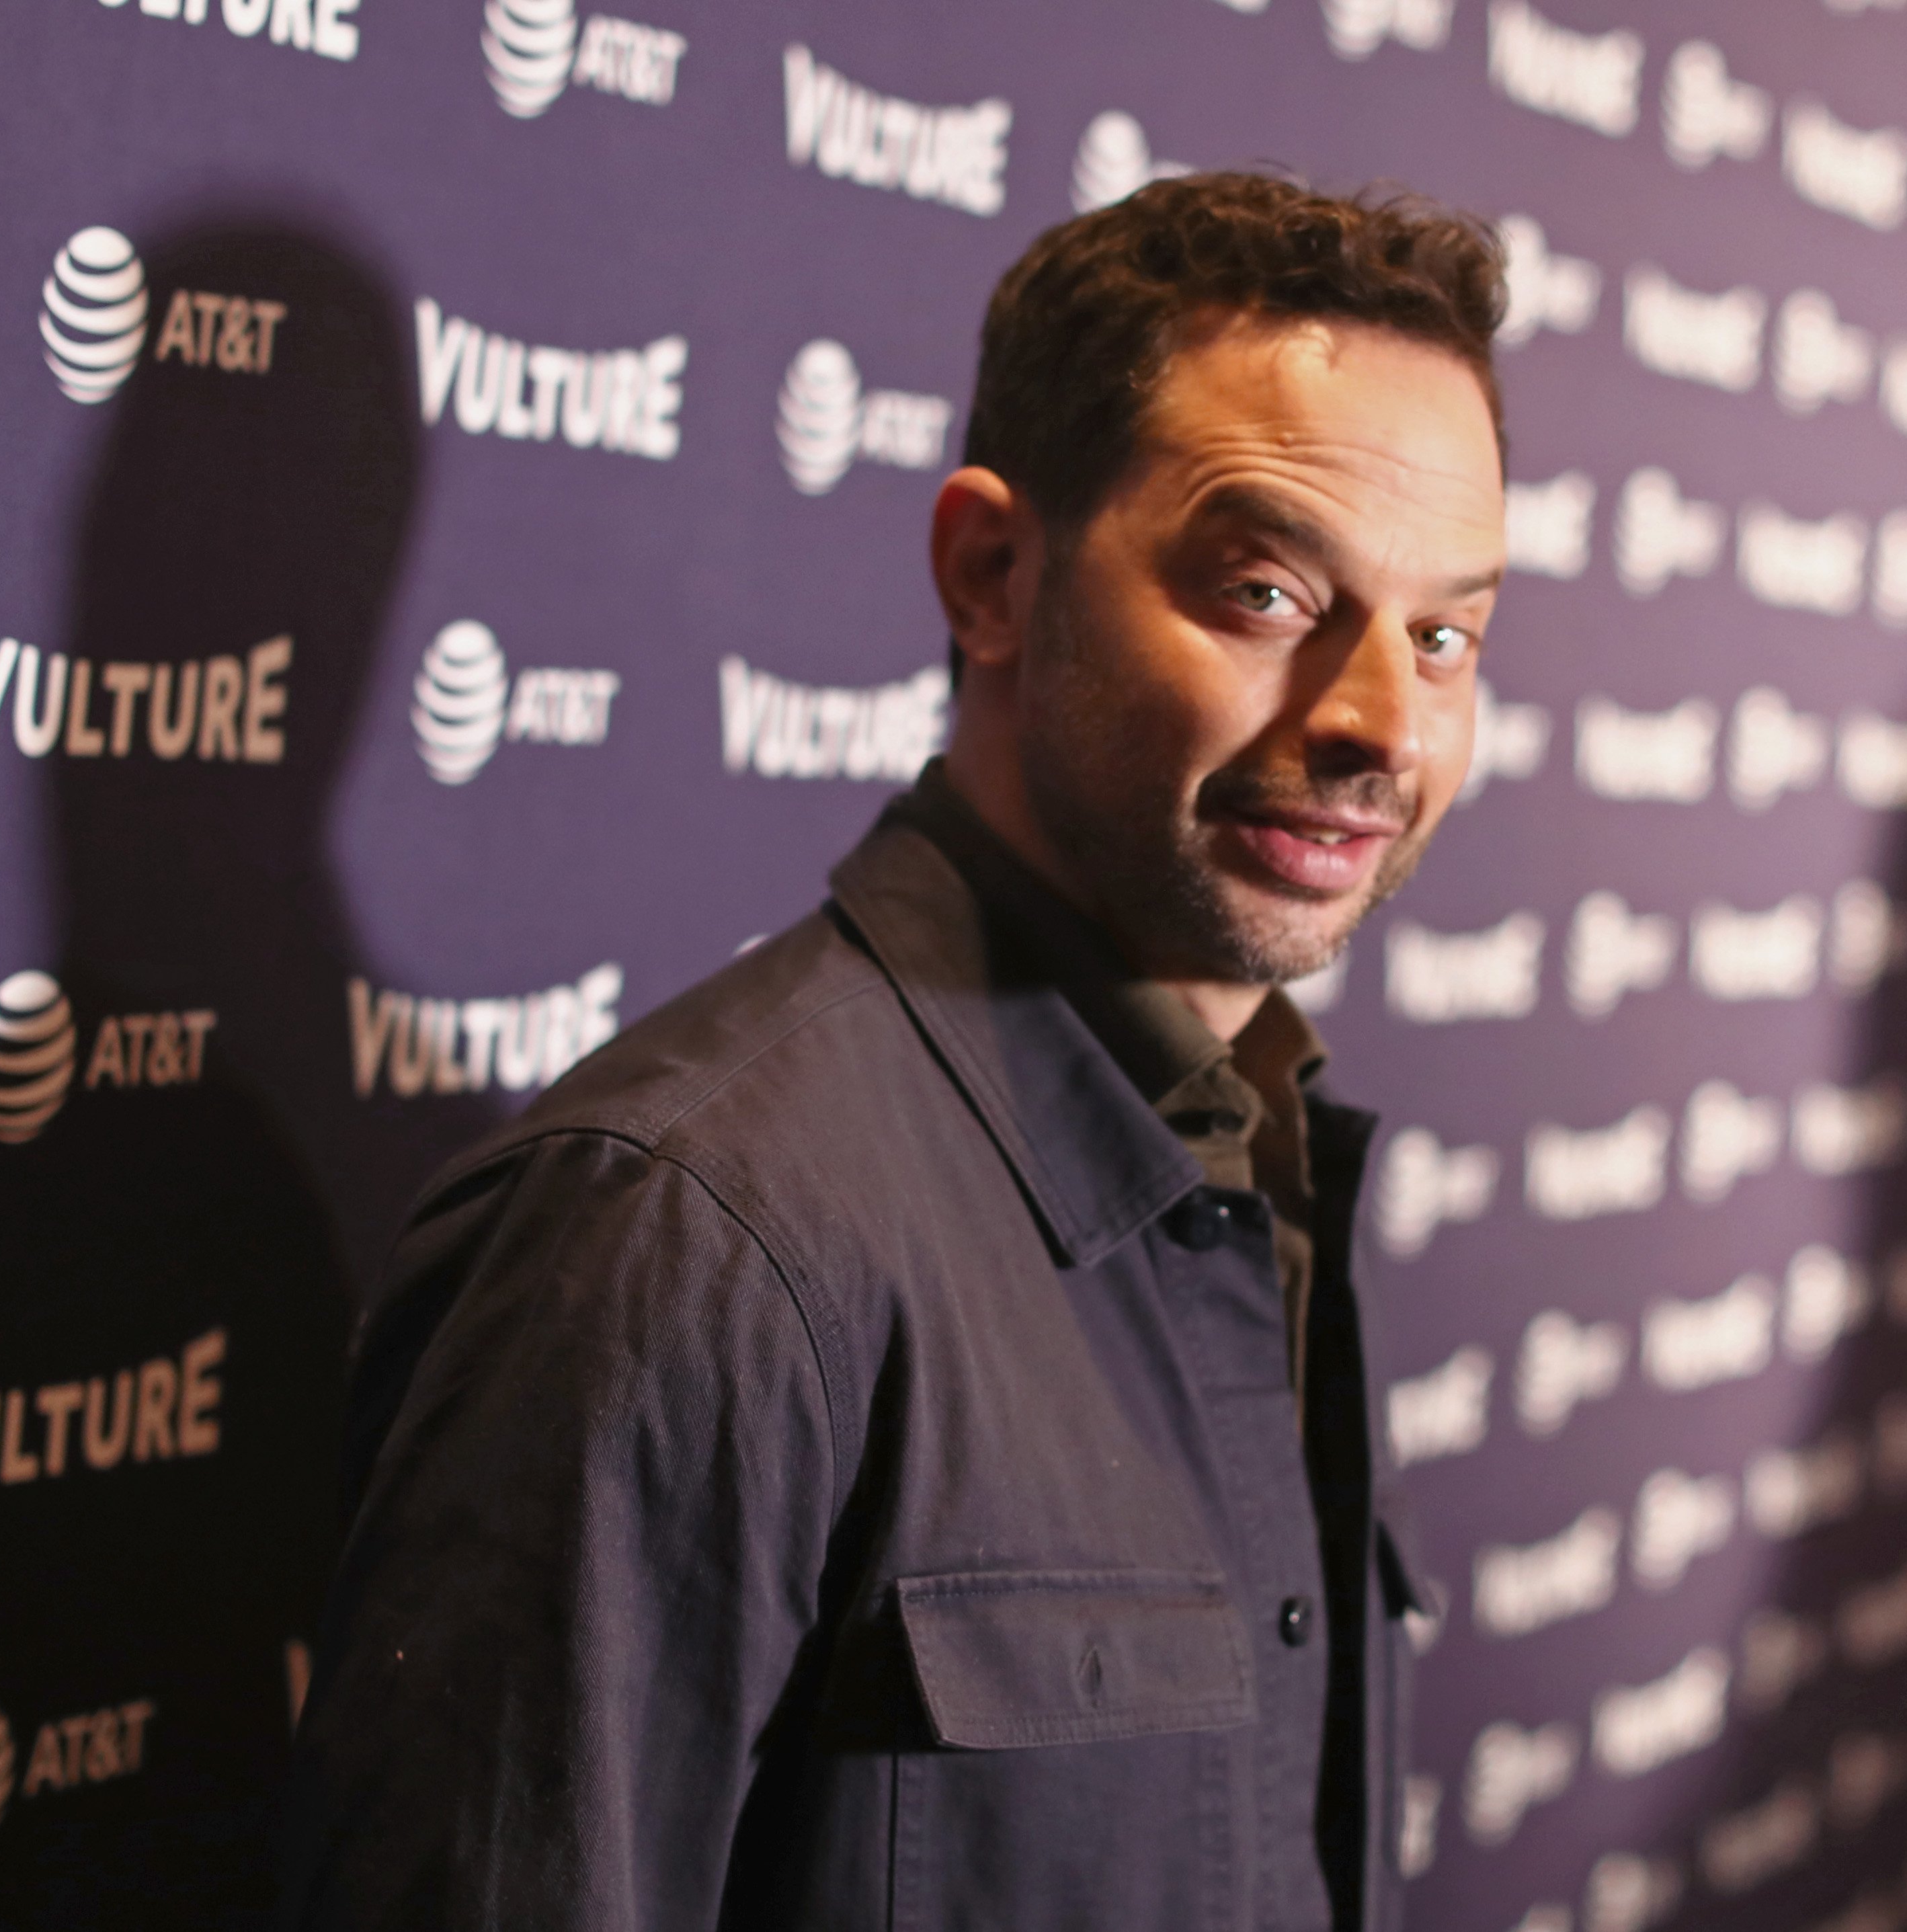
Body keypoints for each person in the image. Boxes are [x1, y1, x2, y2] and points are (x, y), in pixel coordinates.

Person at [280, 171, 1509, 1932]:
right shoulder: (690, 1236)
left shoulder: (1261, 1159)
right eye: (1260, 590)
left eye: (1444, 632)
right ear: (992, 573)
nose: (1380, 721)